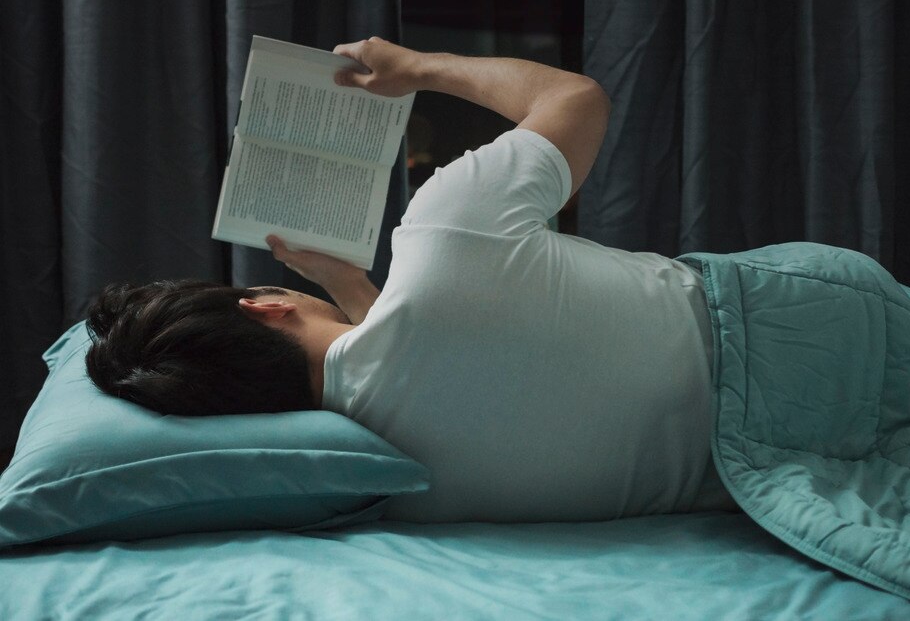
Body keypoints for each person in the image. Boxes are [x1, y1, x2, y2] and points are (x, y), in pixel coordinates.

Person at [86, 37, 738, 522]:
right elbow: (577, 99)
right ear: (261, 306)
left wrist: (348, 285)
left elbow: (414, 369)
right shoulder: (446, 235)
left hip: (763, 480)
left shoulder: (395, 487)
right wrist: (419, 70)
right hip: (780, 330)